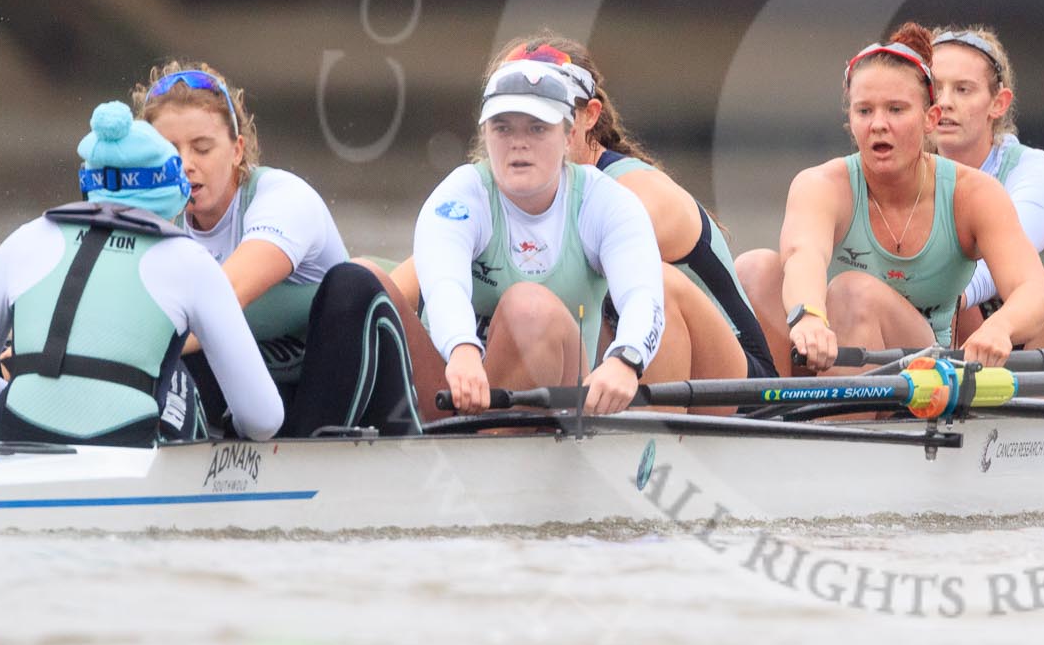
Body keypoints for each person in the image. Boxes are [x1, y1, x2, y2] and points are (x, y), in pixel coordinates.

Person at [0, 102, 282, 445]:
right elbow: (263, 419)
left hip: (16, 438)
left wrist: (20, 407)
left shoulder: (21, 240)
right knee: (182, 374)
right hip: (128, 452)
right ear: (171, 189)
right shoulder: (191, 261)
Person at [736, 22, 1044, 373]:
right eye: (864, 111)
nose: (878, 125)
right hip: (824, 347)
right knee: (754, 270)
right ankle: (779, 412)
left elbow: (1033, 291)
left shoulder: (973, 193)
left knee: (853, 292)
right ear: (850, 119)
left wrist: (999, 329)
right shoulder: (821, 185)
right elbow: (802, 255)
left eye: (896, 110)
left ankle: (840, 422)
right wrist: (807, 314)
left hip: (923, 369)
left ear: (930, 118)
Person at [136, 62, 421, 436]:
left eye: (202, 149)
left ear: (237, 151)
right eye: (170, 151)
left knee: (353, 282)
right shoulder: (157, 229)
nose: (186, 165)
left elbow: (225, 296)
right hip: (269, 400)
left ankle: (311, 454)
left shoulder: (283, 199)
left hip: (352, 395)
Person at [501, 34, 777, 383]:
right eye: (512, 117)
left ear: (589, 117)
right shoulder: (497, 187)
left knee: (651, 281)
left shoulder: (638, 192)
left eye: (548, 114)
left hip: (737, 386)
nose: (527, 135)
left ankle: (642, 430)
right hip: (613, 370)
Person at [412, 51, 667, 416]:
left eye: (537, 128)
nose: (519, 143)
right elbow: (443, 288)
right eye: (503, 128)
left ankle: (499, 446)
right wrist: (462, 348)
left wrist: (626, 360)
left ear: (569, 136)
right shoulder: (460, 198)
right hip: (452, 388)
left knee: (529, 308)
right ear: (486, 134)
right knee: (363, 280)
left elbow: (644, 297)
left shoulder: (605, 203)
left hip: (561, 399)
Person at [929, 25, 1044, 349]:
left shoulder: (1040, 174)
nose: (945, 103)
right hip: (983, 348)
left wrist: (923, 295)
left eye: (963, 89)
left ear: (998, 104)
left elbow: (996, 265)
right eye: (935, 89)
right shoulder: (912, 176)